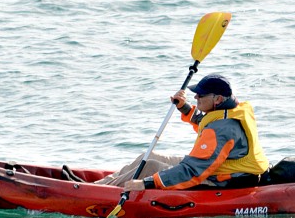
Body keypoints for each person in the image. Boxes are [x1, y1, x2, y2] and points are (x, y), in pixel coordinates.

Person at [95, 74, 270, 191]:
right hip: (228, 169)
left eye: (201, 95)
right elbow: (204, 123)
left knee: (151, 166)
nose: (196, 97)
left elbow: (193, 171)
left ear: (218, 99)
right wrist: (184, 108)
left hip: (227, 180)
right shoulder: (234, 109)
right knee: (149, 156)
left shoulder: (222, 129)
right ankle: (99, 185)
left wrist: (147, 183)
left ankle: (100, 191)